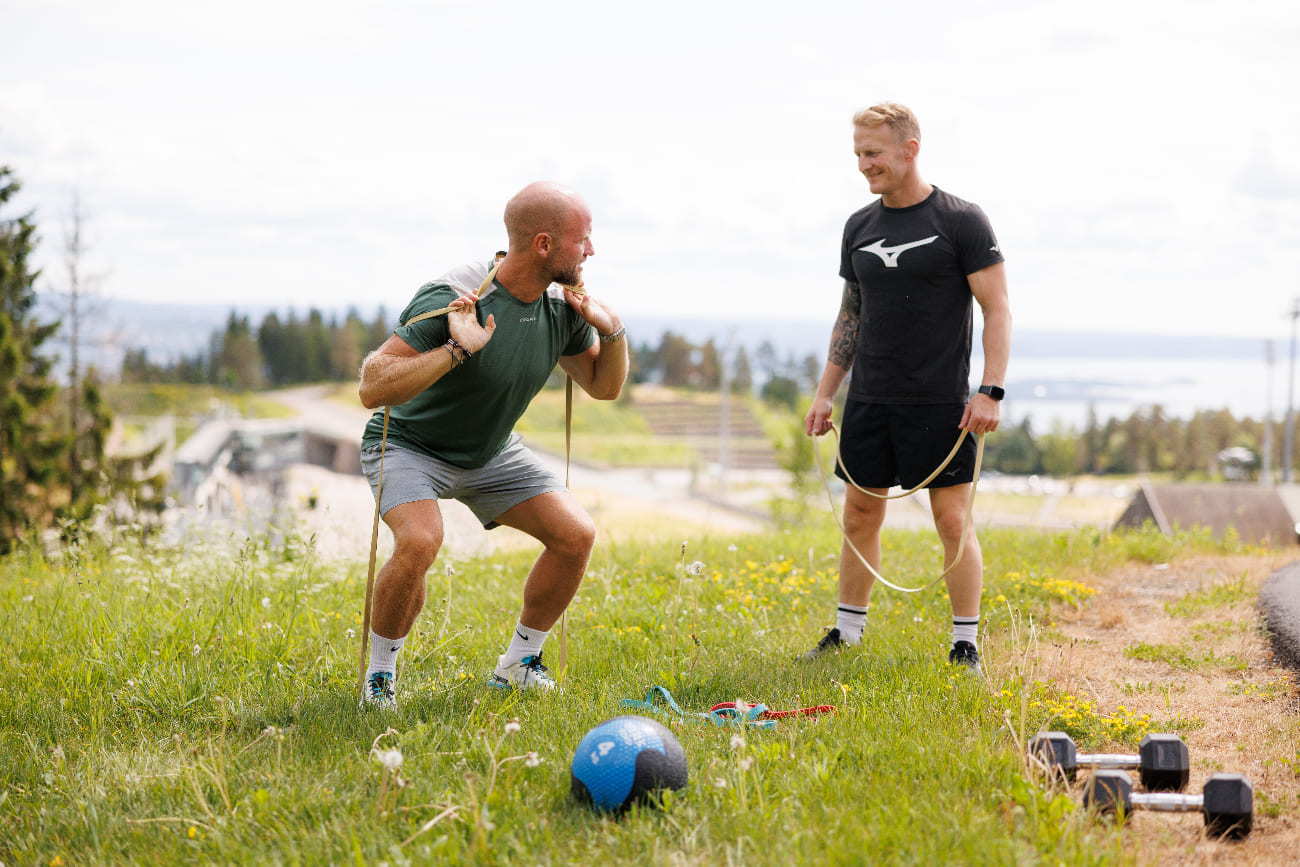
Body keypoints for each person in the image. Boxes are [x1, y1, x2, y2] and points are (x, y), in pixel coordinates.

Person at [356, 181, 628, 708]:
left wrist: (613, 330)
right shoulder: (457, 295)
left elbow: (604, 386)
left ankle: (519, 666)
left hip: (491, 452)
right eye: (583, 239)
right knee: (420, 541)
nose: (591, 250)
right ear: (544, 245)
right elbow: (372, 385)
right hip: (409, 446)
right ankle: (380, 678)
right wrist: (456, 349)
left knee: (575, 535)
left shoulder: (562, 306)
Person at [803, 103, 1011, 674]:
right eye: (858, 154)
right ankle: (848, 633)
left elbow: (996, 308)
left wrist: (991, 390)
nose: (864, 164)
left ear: (909, 149)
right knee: (858, 517)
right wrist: (826, 392)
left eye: (873, 152)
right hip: (870, 399)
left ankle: (965, 644)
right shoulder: (859, 227)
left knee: (953, 523)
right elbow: (851, 314)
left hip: (941, 402)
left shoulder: (962, 221)